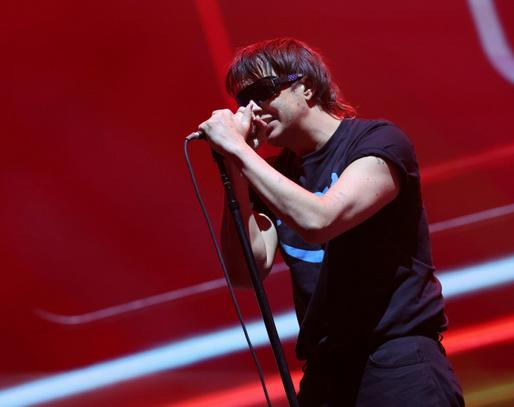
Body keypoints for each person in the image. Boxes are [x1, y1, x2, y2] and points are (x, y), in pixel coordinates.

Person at [198, 37, 464, 406]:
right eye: (243, 100)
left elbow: (320, 219)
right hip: (325, 375)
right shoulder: (273, 175)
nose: (252, 109)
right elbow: (246, 273)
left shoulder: (377, 141)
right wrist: (235, 169)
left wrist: (239, 150)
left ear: (306, 87)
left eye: (263, 91)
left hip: (396, 363)